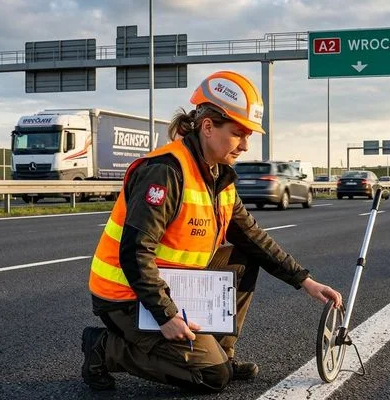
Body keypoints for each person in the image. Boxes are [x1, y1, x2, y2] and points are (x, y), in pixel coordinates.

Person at [81, 70, 343, 393]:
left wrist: (305, 280)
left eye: (249, 135)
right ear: (207, 127)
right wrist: (166, 315)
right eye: (238, 133)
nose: (245, 145)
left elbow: (253, 238)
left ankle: (222, 354)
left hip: (173, 283)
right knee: (211, 377)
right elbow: (135, 252)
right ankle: (104, 348)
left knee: (245, 257)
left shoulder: (219, 177)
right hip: (126, 296)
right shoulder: (166, 172)